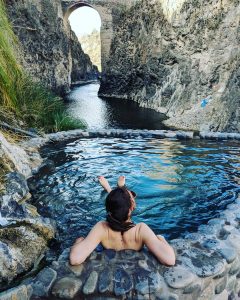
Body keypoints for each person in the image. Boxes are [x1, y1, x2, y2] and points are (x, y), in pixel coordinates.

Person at [69, 176, 176, 266]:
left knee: (117, 203)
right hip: (128, 221)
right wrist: (161, 239)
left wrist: (78, 241)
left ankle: (110, 189)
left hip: (113, 219)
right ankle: (118, 188)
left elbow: (75, 259)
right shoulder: (140, 230)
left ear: (107, 209)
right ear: (133, 207)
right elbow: (170, 260)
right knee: (120, 203)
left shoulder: (102, 228)